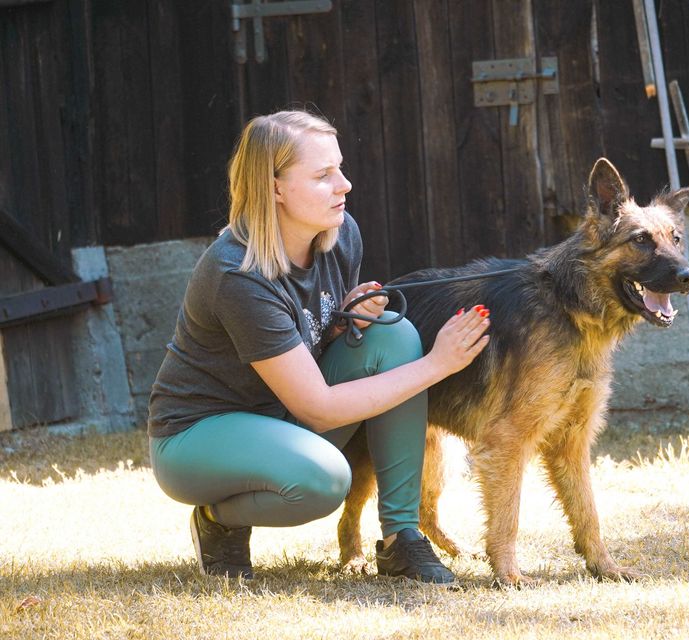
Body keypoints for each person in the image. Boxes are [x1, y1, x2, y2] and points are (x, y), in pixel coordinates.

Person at [147, 109, 490, 584]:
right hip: (197, 435)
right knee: (323, 480)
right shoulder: (238, 274)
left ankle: (402, 538)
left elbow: (309, 347)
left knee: (392, 332)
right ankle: (217, 520)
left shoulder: (340, 235)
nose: (345, 185)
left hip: (281, 415)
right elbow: (320, 409)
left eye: (341, 168)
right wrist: (439, 364)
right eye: (324, 175)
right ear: (274, 188)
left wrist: (340, 324)